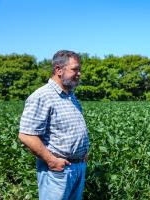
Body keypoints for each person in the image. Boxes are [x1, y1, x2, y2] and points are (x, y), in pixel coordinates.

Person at [18, 50, 89, 200]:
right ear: (58, 70)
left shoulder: (70, 96)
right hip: (58, 171)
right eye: (75, 69)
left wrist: (82, 153)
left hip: (77, 167)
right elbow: (26, 135)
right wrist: (52, 161)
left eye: (79, 69)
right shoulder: (42, 96)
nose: (79, 73)